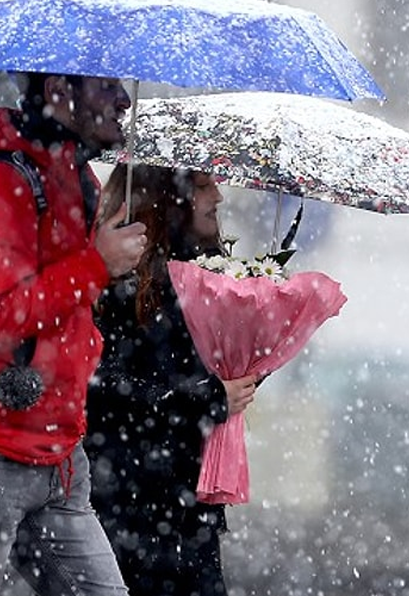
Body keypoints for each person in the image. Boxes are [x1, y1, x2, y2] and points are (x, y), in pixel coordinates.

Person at [0, 72, 149, 596]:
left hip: (57, 457)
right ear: (60, 87)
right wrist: (96, 265)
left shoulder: (75, 176)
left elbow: (67, 308)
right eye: (106, 86)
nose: (124, 99)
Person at [86, 164, 259, 596]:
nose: (217, 197)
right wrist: (208, 399)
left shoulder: (204, 278)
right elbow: (103, 389)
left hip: (186, 505)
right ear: (168, 198)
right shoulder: (115, 282)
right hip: (126, 503)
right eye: (203, 187)